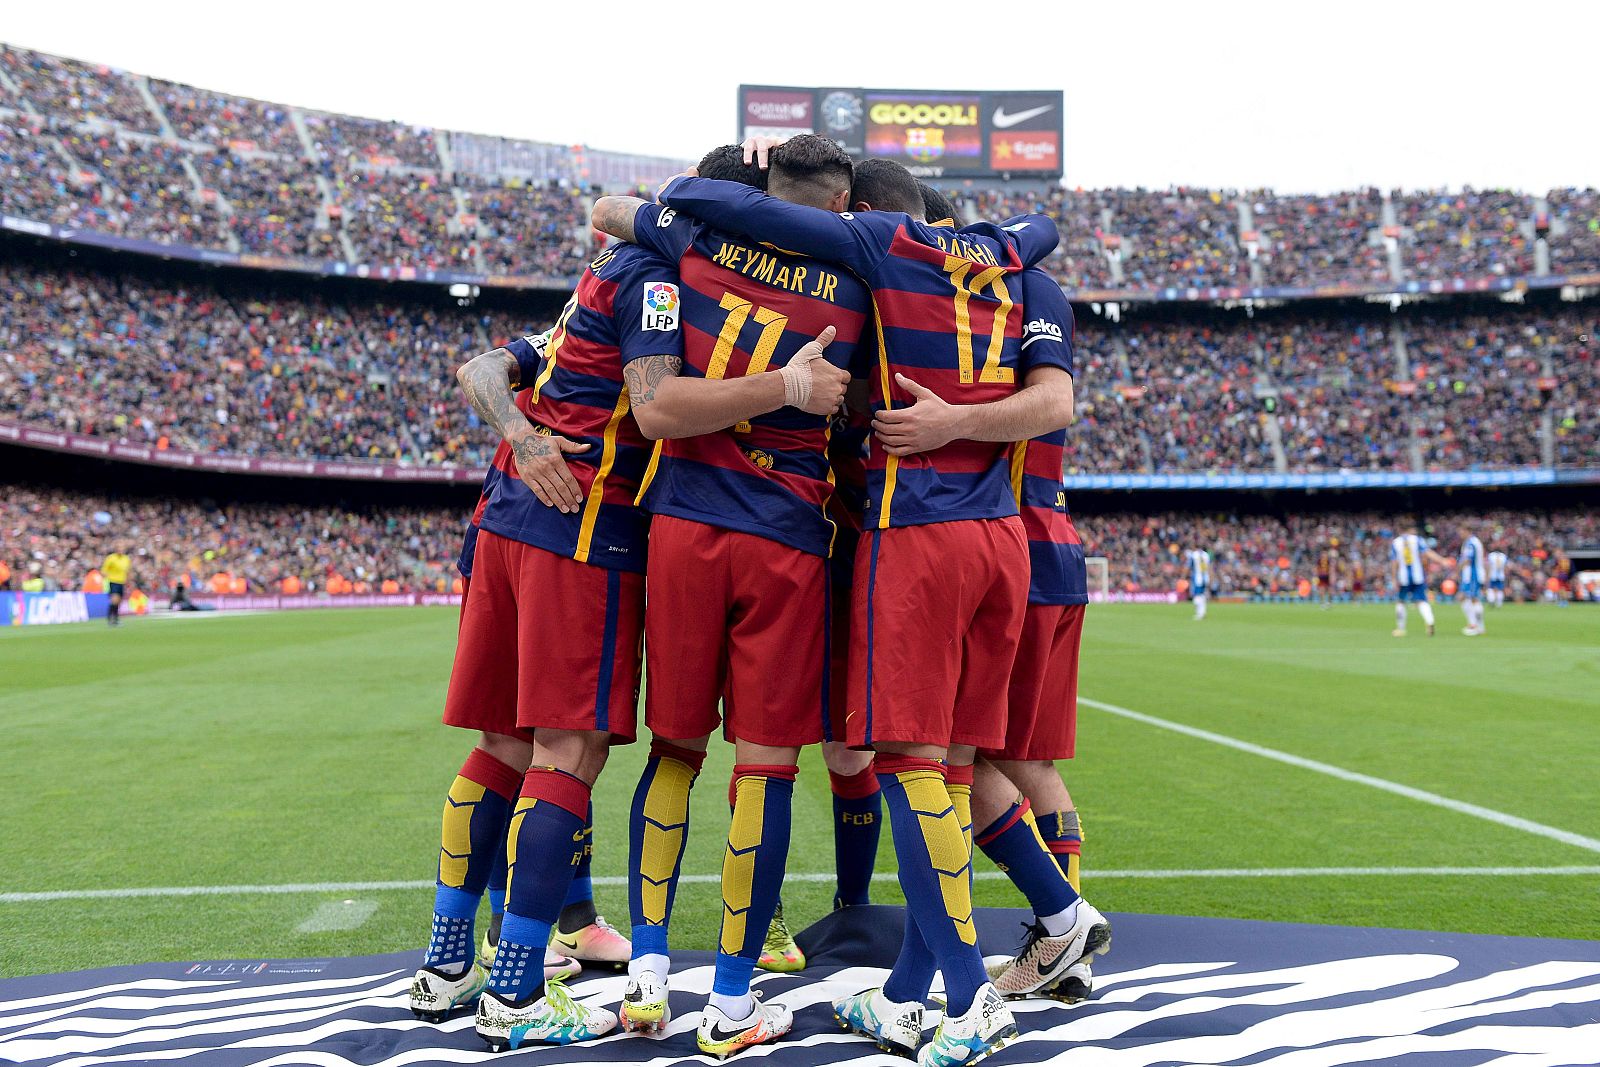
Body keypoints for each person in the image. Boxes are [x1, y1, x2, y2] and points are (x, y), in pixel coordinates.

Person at [654, 155, 1071, 1066]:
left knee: (906, 765)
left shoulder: (877, 248)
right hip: (1002, 540)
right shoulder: (1014, 260)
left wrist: (661, 206)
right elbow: (1046, 250)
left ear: (864, 212)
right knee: (956, 771)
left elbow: (716, 203)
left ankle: (969, 998)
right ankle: (926, 982)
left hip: (910, 532)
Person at [591, 136, 865, 1055]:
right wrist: (793, 386)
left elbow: (612, 210)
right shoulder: (856, 283)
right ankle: (736, 1004)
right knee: (767, 765)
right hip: (783, 539)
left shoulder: (689, 248)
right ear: (833, 203)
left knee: (672, 751)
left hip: (681, 528)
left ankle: (647, 981)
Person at [410, 239, 683, 1050]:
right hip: (581, 529)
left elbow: (479, 371)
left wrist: (521, 436)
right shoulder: (662, 283)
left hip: (503, 521)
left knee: (501, 745)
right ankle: (519, 985)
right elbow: (659, 400)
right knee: (569, 751)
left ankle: (448, 963)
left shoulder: (595, 282)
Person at [1391, 525, 1449, 637]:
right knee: (1421, 600)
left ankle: (1401, 628)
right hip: (1418, 576)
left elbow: (1394, 562)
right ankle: (1430, 621)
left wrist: (1394, 578)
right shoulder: (1417, 540)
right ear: (1409, 529)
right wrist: (1442, 560)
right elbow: (1427, 553)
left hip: (1403, 577)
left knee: (1401, 602)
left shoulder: (1396, 542)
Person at [1457, 530, 1487, 636]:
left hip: (1472, 575)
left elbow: (1468, 559)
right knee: (1462, 598)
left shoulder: (1471, 543)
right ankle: (1474, 625)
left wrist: (1457, 570)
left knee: (1474, 599)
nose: (1460, 534)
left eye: (1461, 531)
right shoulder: (1475, 542)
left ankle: (1477, 626)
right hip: (1471, 575)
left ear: (1467, 531)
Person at [101, 549, 131, 627]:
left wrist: (128, 581)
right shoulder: (111, 558)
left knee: (119, 601)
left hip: (122, 582)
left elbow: (127, 571)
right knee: (115, 600)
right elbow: (104, 570)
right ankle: (110, 617)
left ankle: (115, 618)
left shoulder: (126, 559)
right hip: (113, 581)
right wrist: (107, 577)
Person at [1188, 546, 1212, 619]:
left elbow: (1189, 566)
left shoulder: (1194, 555)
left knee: (1197, 596)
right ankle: (1202, 612)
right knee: (1201, 595)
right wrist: (1210, 577)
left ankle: (1200, 613)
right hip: (1205, 578)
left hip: (1197, 578)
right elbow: (1209, 567)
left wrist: (1183, 577)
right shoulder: (1206, 555)